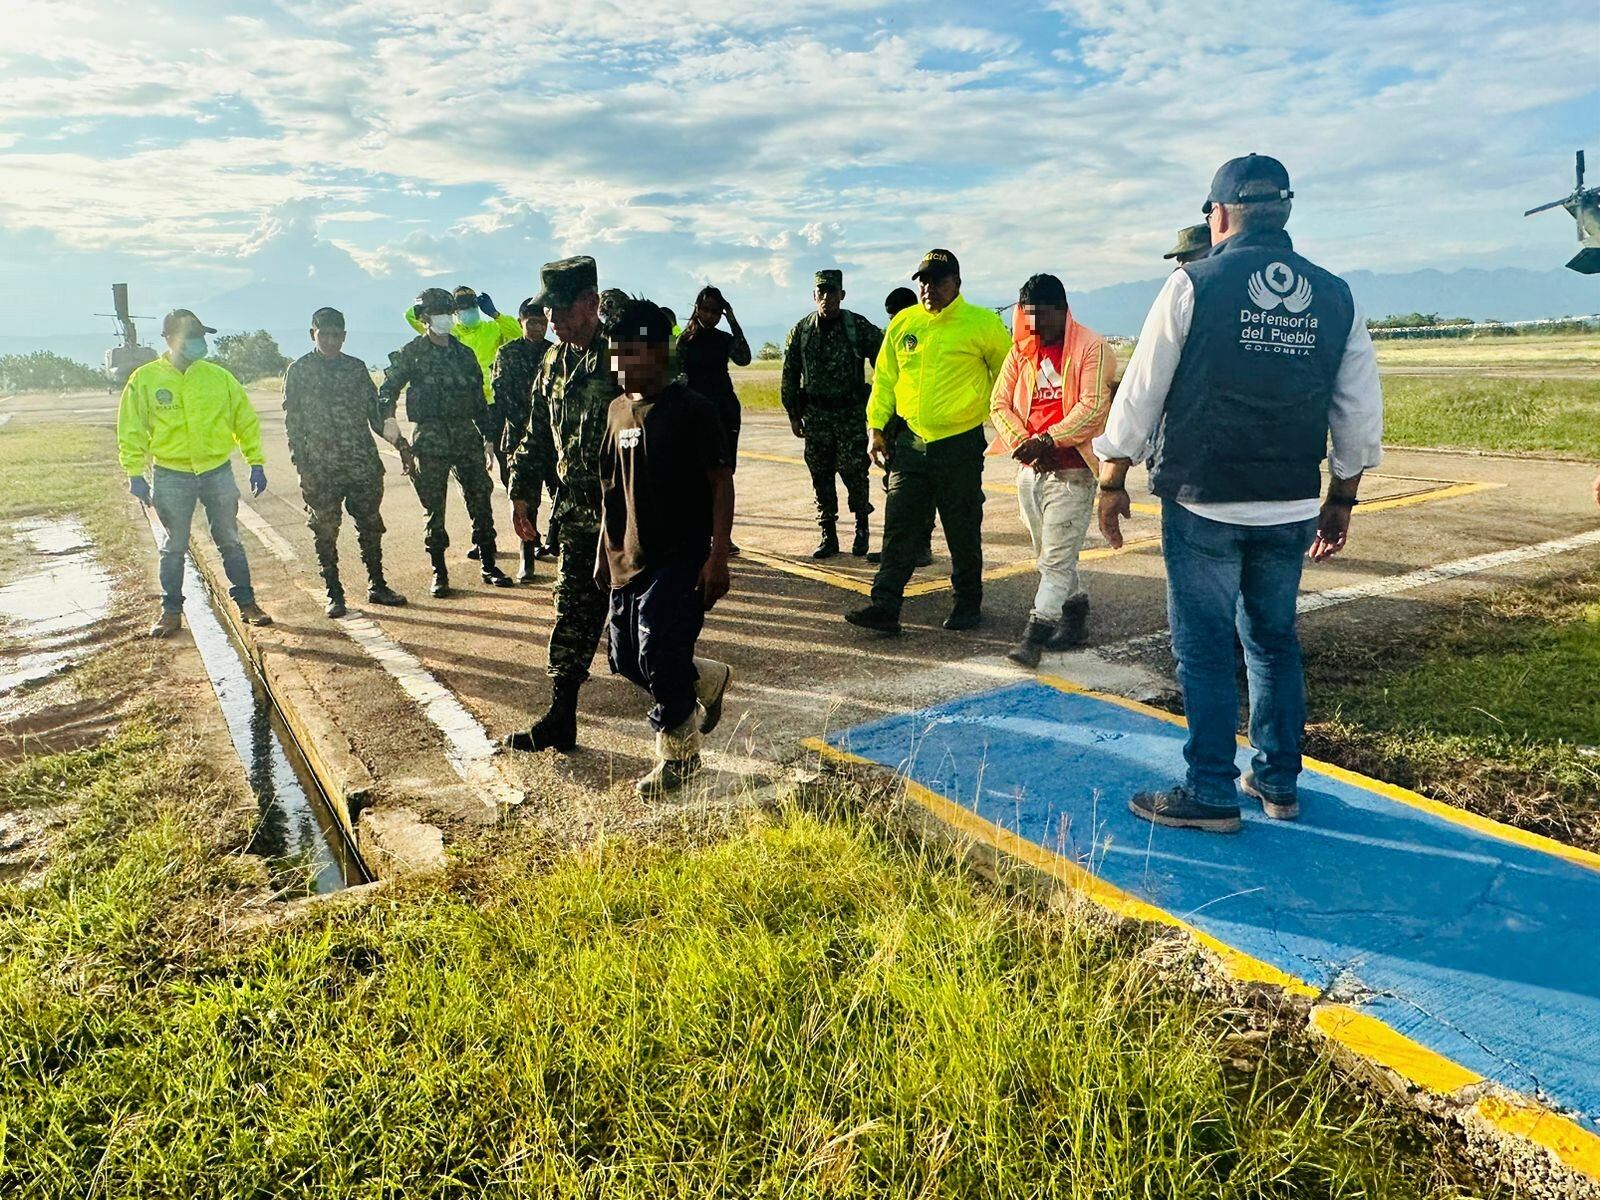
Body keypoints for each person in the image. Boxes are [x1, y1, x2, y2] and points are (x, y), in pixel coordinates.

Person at [1094, 154, 1382, 833]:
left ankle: (1211, 791)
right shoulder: (1336, 294)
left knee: (1203, 648)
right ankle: (1278, 781)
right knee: (1273, 641)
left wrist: (1112, 475)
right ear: (1284, 212)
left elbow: (1141, 391)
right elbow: (1358, 410)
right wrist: (1341, 498)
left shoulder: (1192, 284)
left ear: (1219, 214)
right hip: (1290, 501)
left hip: (1205, 498)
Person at [597, 298, 735, 796]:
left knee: (658, 652)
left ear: (656, 352)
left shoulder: (693, 410)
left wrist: (717, 556)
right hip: (626, 556)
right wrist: (602, 554)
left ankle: (680, 757)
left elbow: (720, 483)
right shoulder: (616, 411)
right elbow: (609, 488)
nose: (616, 362)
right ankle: (705, 679)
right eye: (613, 351)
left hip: (680, 557)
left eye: (626, 352)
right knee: (624, 658)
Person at [846, 249, 1010, 635]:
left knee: (961, 527)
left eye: (937, 280)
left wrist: (1005, 423)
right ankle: (885, 606)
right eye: (923, 280)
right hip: (910, 443)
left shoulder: (983, 324)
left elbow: (1008, 376)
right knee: (899, 526)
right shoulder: (904, 323)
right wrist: (875, 427)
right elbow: (885, 379)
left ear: (957, 282)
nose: (928, 287)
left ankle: (967, 602)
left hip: (959, 444)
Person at [504, 256, 623, 753]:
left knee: (640, 634)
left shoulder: (624, 355)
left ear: (590, 303)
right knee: (571, 614)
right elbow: (536, 433)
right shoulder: (553, 361)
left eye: (560, 308)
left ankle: (695, 692)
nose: (550, 318)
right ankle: (561, 716)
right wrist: (522, 493)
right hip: (576, 512)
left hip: (629, 516)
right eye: (546, 309)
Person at [118, 308, 273, 637]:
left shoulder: (219, 378)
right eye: (191, 336)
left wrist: (255, 461)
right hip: (171, 474)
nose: (199, 342)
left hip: (216, 471)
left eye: (201, 336)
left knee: (229, 539)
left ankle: (247, 603)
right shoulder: (145, 380)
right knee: (173, 546)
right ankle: (171, 612)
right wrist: (134, 472)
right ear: (169, 339)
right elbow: (131, 429)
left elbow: (244, 421)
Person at [989, 274, 1116, 667]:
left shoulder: (1092, 347)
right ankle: (1075, 614)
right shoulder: (1022, 350)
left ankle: (1034, 637)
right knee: (1047, 553)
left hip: (1073, 471)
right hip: (1031, 470)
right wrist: (1025, 443)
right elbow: (999, 403)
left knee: (1055, 561)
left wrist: (1048, 440)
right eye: (1028, 316)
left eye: (1042, 315)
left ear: (1062, 310)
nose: (1035, 324)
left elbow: (1093, 408)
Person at [379, 287, 514, 597]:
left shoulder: (464, 353)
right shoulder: (412, 352)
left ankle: (488, 563)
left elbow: (478, 399)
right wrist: (388, 418)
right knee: (434, 506)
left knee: (480, 498)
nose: (445, 318)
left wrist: (489, 438)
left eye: (447, 312)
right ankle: (439, 572)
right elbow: (388, 389)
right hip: (430, 436)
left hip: (466, 433)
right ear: (424, 317)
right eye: (437, 313)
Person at [282, 307, 410, 617]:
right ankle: (334, 593)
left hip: (361, 464)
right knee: (325, 530)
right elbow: (293, 425)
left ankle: (377, 585)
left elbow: (374, 414)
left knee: (370, 526)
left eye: (336, 335)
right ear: (312, 334)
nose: (330, 340)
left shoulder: (356, 368)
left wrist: (401, 444)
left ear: (344, 336)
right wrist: (302, 466)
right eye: (324, 334)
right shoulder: (299, 371)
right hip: (320, 468)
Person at [780, 270, 883, 559]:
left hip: (850, 414)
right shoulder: (801, 331)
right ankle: (828, 534)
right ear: (814, 296)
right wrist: (793, 413)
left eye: (832, 292)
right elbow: (790, 374)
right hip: (816, 417)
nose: (827, 298)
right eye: (821, 292)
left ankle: (862, 528)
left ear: (842, 295)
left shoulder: (857, 326)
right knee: (820, 475)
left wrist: (880, 402)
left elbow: (884, 361)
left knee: (856, 473)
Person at [678, 285, 751, 555]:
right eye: (705, 310)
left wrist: (733, 320)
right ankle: (699, 533)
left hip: (724, 412)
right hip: (695, 413)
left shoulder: (723, 339)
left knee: (723, 474)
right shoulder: (684, 341)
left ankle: (722, 537)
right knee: (696, 476)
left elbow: (744, 358)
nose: (710, 316)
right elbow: (674, 375)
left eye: (716, 312)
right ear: (697, 309)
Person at [866, 288, 935, 568]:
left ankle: (922, 547)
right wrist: (878, 428)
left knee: (925, 489)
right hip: (895, 430)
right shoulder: (894, 337)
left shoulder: (925, 335)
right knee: (895, 490)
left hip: (920, 429)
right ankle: (894, 549)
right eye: (890, 317)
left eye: (897, 315)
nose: (894, 321)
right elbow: (883, 382)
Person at [491, 297, 556, 582]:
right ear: (520, 322)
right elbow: (500, 395)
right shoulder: (507, 353)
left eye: (542, 322)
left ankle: (553, 541)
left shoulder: (554, 352)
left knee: (561, 493)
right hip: (519, 437)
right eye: (532, 323)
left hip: (552, 438)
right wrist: (525, 425)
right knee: (524, 500)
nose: (538, 328)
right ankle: (526, 556)